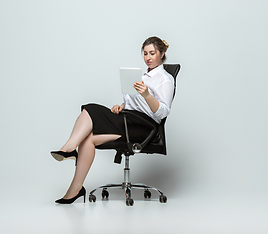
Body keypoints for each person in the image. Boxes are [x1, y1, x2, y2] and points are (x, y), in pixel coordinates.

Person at [51, 36, 175, 204]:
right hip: (129, 119)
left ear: (162, 53)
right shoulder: (144, 76)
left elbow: (162, 112)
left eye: (152, 53)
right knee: (88, 140)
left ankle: (69, 148)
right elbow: (138, 104)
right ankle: (75, 189)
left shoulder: (165, 79)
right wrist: (123, 106)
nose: (148, 57)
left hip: (145, 127)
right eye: (145, 53)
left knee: (91, 108)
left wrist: (146, 94)